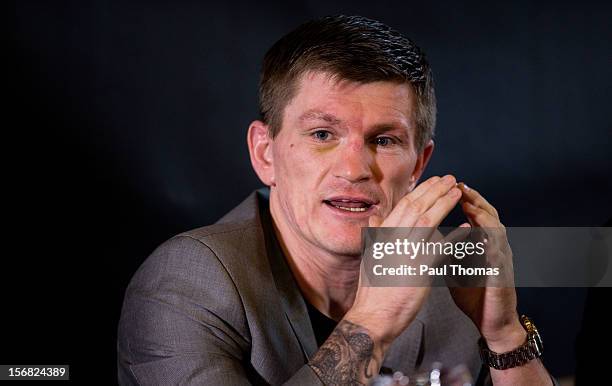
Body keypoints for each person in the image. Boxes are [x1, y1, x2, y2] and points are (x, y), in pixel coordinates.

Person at [118, 15, 555, 385]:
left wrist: (504, 337)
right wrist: (371, 325)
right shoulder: (186, 284)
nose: (354, 169)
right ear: (264, 153)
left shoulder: (448, 286)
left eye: (383, 140)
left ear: (418, 165)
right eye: (323, 134)